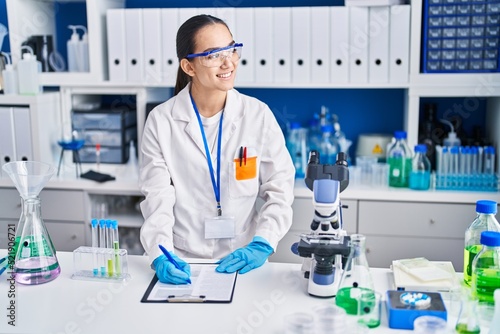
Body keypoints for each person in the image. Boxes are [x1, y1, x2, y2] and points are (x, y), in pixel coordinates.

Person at [139, 14, 295, 285]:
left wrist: (263, 243)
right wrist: (159, 253)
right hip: (184, 260)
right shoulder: (161, 121)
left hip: (245, 259)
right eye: (213, 55)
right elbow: (158, 198)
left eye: (232, 49)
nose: (229, 62)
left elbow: (280, 188)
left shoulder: (258, 115)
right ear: (188, 66)